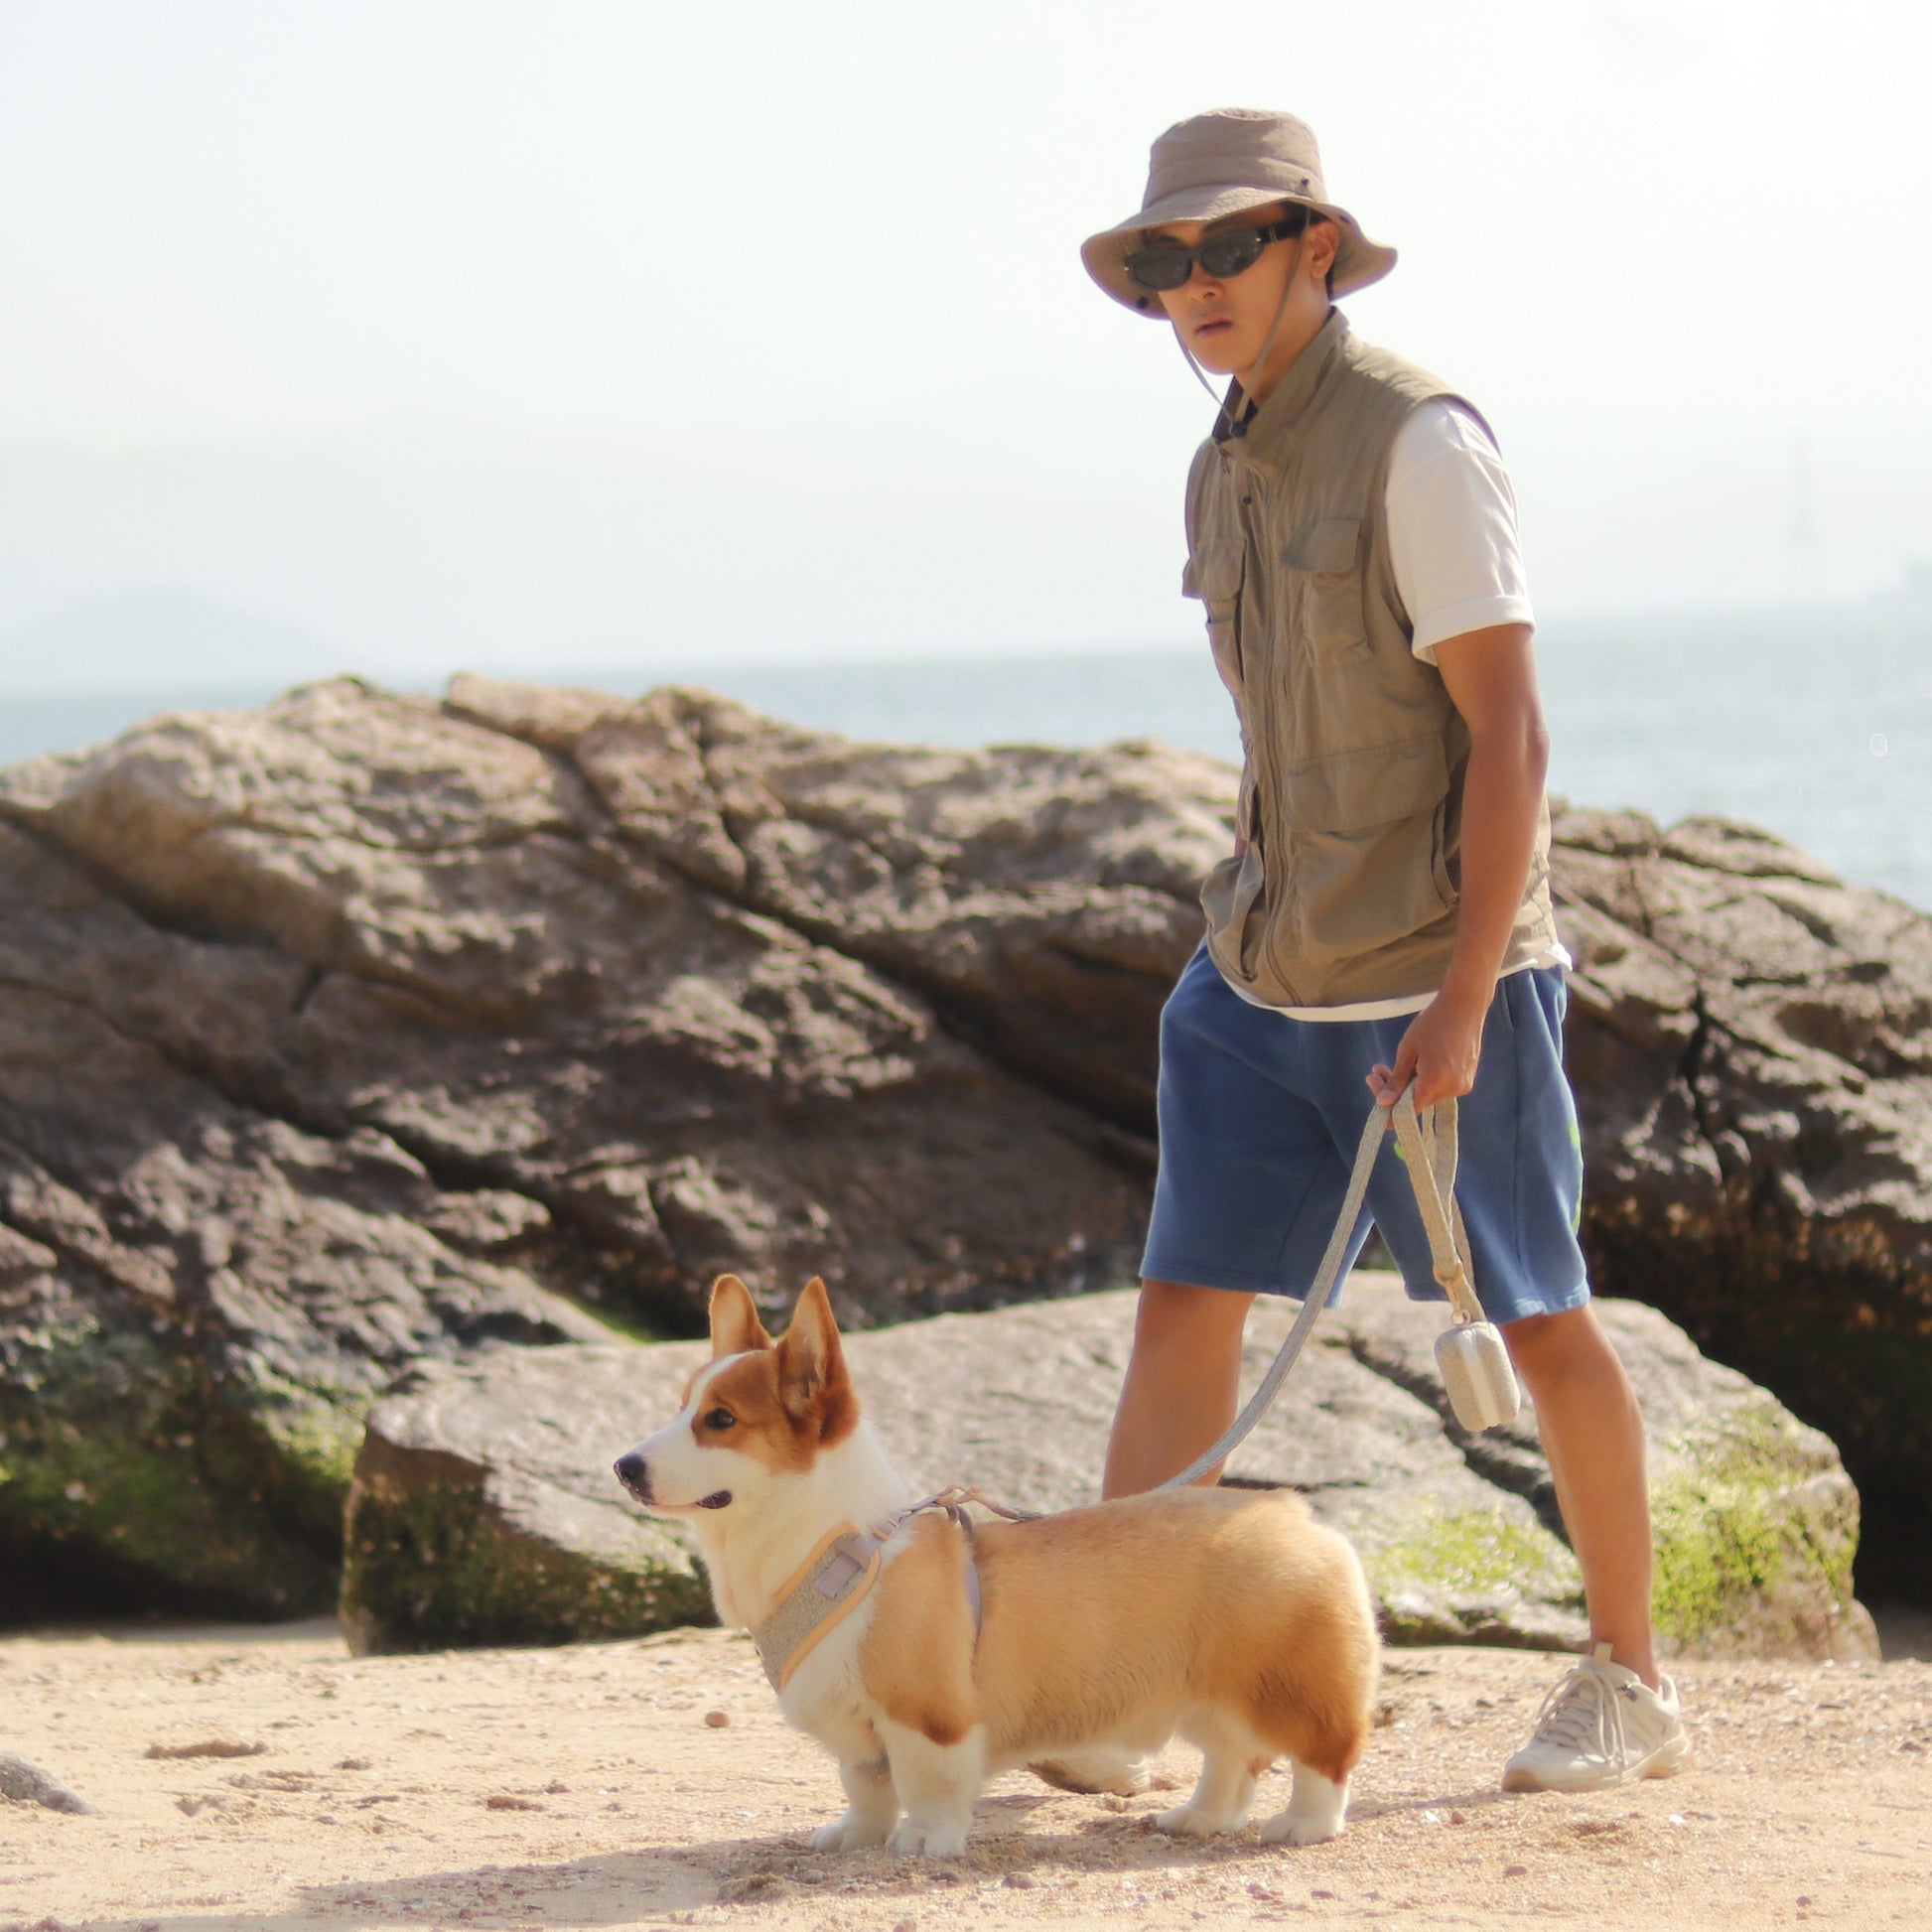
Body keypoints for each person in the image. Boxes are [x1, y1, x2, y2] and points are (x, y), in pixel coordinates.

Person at [1080, 107, 1688, 1794]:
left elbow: (1512, 740)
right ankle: (1117, 1680)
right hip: (1255, 974)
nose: (1190, 284)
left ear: (1314, 249)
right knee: (1179, 1313)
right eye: (1164, 259)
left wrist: (1471, 994)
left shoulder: (1422, 441)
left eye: (1225, 249)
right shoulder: (1226, 458)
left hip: (1435, 977)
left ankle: (1628, 1679)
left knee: (1544, 1319)